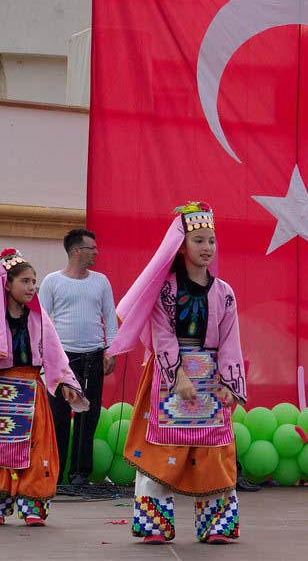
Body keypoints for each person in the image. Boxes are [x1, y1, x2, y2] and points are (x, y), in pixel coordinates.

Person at [107, 203, 246, 545]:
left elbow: (231, 340)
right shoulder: (166, 289)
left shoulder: (224, 292)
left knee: (214, 453)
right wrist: (178, 375)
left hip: (212, 378)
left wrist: (230, 384)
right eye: (199, 240)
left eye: (211, 241)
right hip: (170, 375)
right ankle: (154, 524)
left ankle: (217, 525)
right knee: (159, 451)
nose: (207, 248)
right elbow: (163, 335)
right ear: (182, 246)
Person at [0, 248, 87, 526]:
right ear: (6, 284)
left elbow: (55, 353)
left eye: (34, 281)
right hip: (0, 393)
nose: (32, 287)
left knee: (37, 451)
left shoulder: (37, 317)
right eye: (25, 281)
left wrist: (65, 384)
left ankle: (33, 507)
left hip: (32, 392)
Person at [41, 228, 119, 486]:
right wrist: (46, 357)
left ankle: (80, 474)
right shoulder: (53, 281)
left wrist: (112, 350)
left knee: (89, 414)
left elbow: (110, 316)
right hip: (62, 359)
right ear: (76, 251)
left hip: (93, 356)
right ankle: (57, 473)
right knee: (60, 416)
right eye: (91, 248)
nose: (96, 252)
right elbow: (41, 320)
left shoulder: (101, 281)